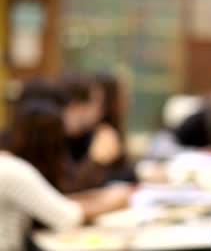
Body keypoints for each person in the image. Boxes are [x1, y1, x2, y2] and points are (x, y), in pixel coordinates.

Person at [0, 99, 134, 251]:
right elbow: (67, 217)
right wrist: (113, 201)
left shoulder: (10, 164)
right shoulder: (14, 170)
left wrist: (98, 196)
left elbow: (53, 200)